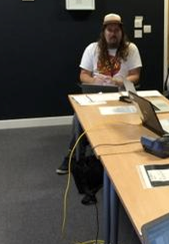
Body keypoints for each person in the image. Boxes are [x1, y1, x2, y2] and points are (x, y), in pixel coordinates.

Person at [56, 13, 142, 181]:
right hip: (97, 94)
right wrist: (94, 80)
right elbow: (83, 75)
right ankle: (73, 156)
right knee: (77, 118)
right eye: (109, 30)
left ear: (121, 32)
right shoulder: (92, 48)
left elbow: (136, 76)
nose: (113, 33)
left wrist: (121, 81)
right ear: (103, 32)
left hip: (121, 94)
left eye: (116, 30)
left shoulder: (131, 49)